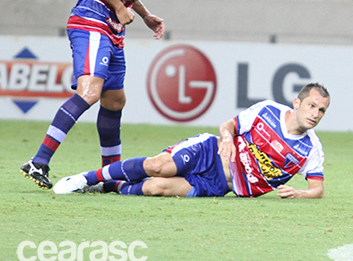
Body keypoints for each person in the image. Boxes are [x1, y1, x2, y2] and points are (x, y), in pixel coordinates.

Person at [21, 0, 175, 190]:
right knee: (90, 91)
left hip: (112, 27)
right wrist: (118, 7)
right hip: (92, 20)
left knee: (115, 100)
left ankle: (110, 174)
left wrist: (144, 14)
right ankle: (39, 161)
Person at [52, 83, 330, 198]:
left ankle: (110, 186)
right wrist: (227, 138)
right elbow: (229, 125)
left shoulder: (311, 149)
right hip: (209, 152)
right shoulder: (268, 110)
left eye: (321, 111)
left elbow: (317, 189)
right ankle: (85, 178)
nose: (315, 114)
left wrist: (300, 193)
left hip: (219, 185)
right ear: (297, 103)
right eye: (312, 106)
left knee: (155, 188)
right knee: (158, 167)